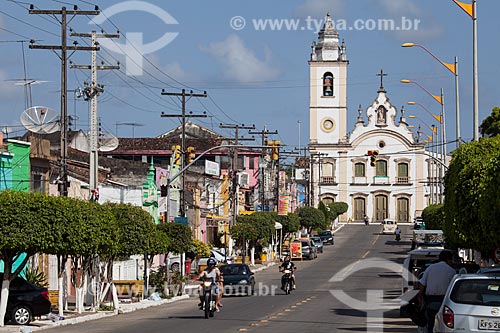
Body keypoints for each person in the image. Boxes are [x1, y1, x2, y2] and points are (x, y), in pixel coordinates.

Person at [418, 250, 456, 333]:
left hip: (431, 300)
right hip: (445, 301)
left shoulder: (430, 268)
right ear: (448, 259)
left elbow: (421, 284)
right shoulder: (452, 271)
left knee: (430, 323)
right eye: (451, 260)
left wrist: (421, 299)